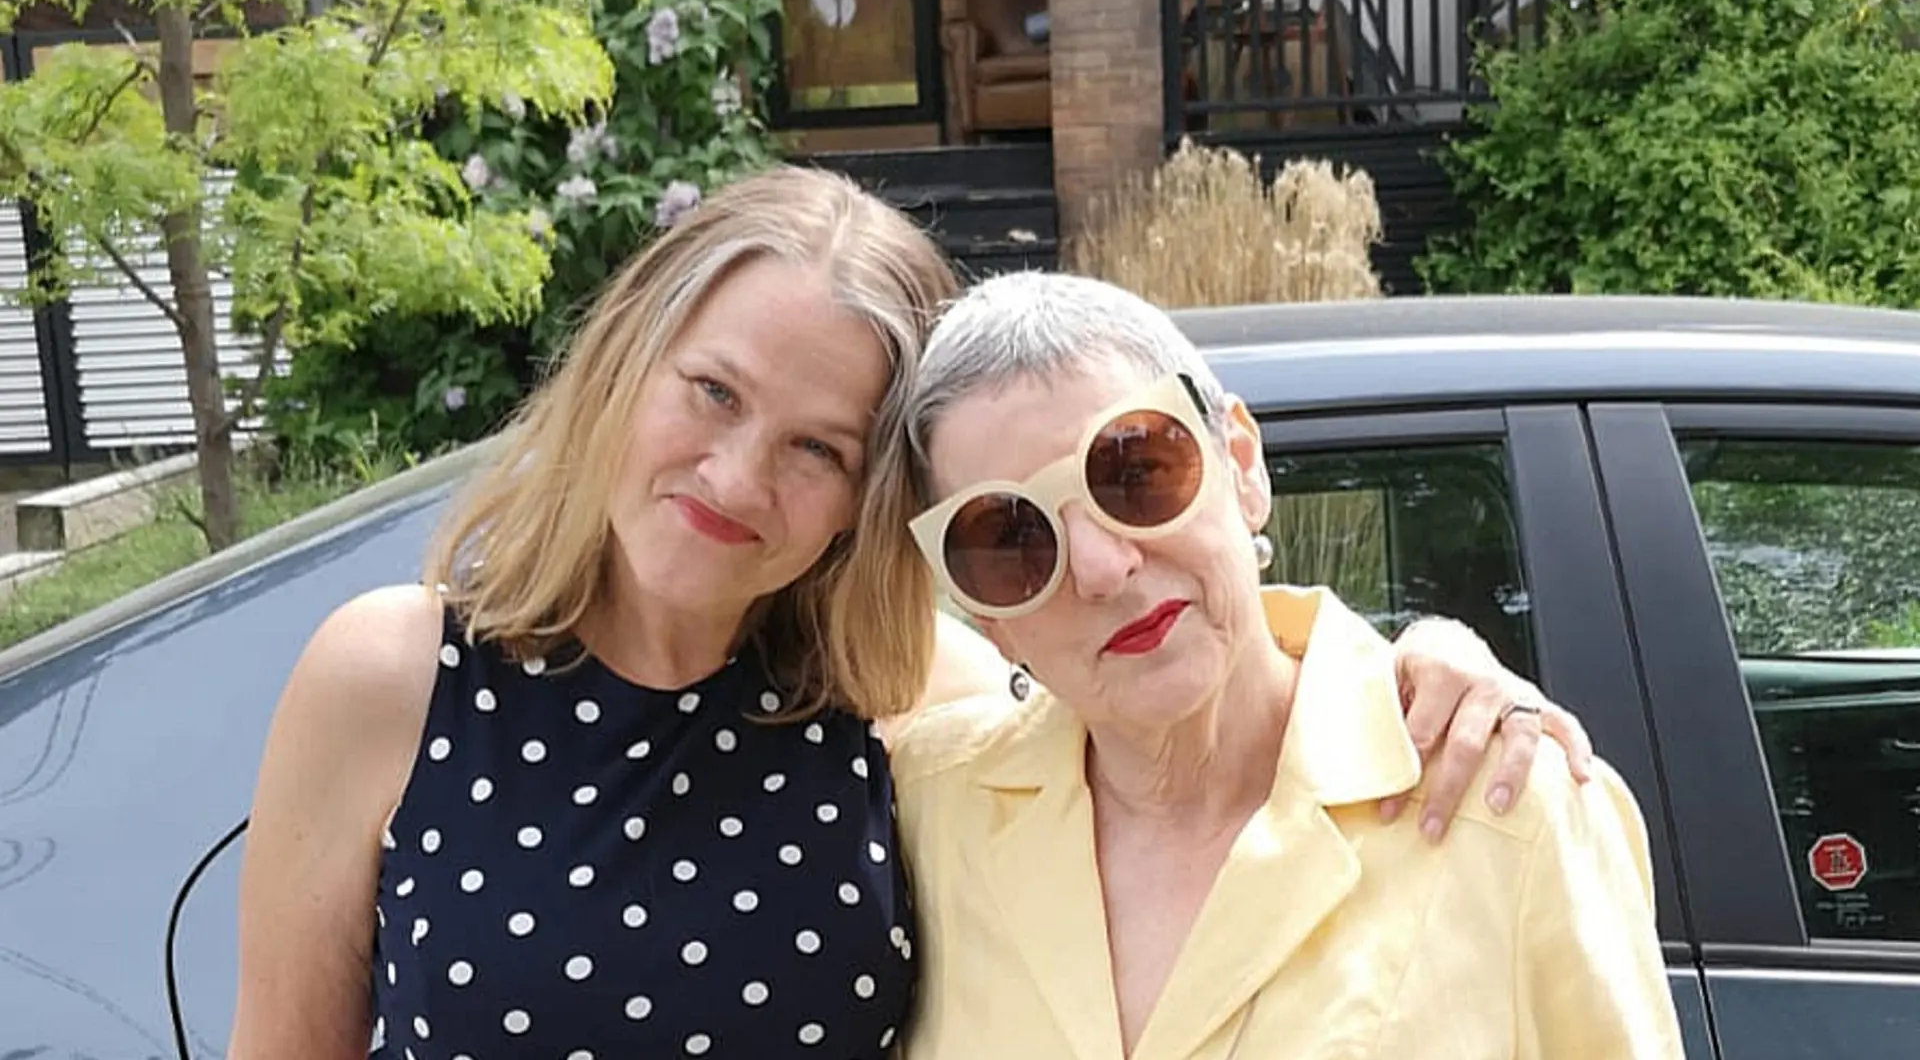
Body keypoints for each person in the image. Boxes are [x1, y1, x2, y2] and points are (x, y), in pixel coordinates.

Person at [225, 165, 1591, 1060]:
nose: (739, 475)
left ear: (862, 508)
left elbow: (1168, 677)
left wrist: (1438, 664)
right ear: (626, 359)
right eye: (712, 392)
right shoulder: (394, 681)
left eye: (818, 449)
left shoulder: (901, 709)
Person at [893, 271, 1686, 1059]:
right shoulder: (926, 815)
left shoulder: (1509, 805)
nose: (1103, 566)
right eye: (1009, 540)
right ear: (985, 615)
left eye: (1135, 475)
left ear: (1242, 465)